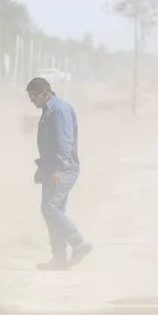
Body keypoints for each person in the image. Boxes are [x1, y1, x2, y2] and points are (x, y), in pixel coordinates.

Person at [26, 77, 92, 270]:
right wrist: (42, 167)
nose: (32, 101)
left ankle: (78, 243)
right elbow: (48, 143)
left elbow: (64, 142)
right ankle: (59, 258)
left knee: (50, 209)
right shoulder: (49, 110)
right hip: (52, 168)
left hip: (63, 169)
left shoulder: (60, 110)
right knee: (54, 211)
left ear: (46, 93)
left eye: (34, 96)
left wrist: (59, 169)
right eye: (30, 97)